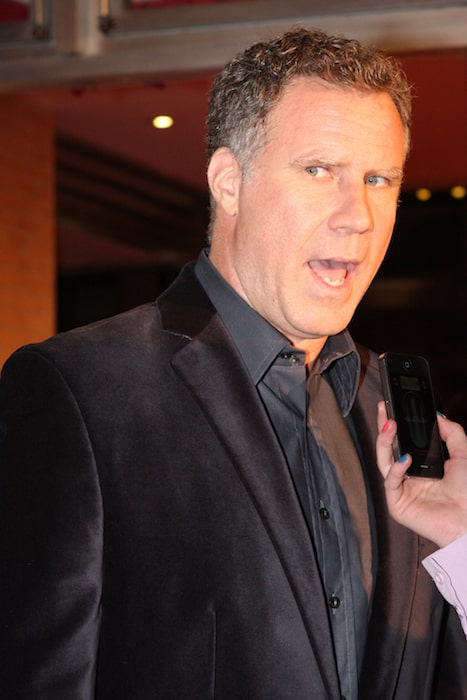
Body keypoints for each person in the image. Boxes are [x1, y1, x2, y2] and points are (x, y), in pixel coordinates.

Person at [0, 26, 466, 700]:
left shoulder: (393, 411)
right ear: (228, 181)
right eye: (318, 171)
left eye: (377, 178)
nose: (358, 216)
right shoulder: (80, 392)